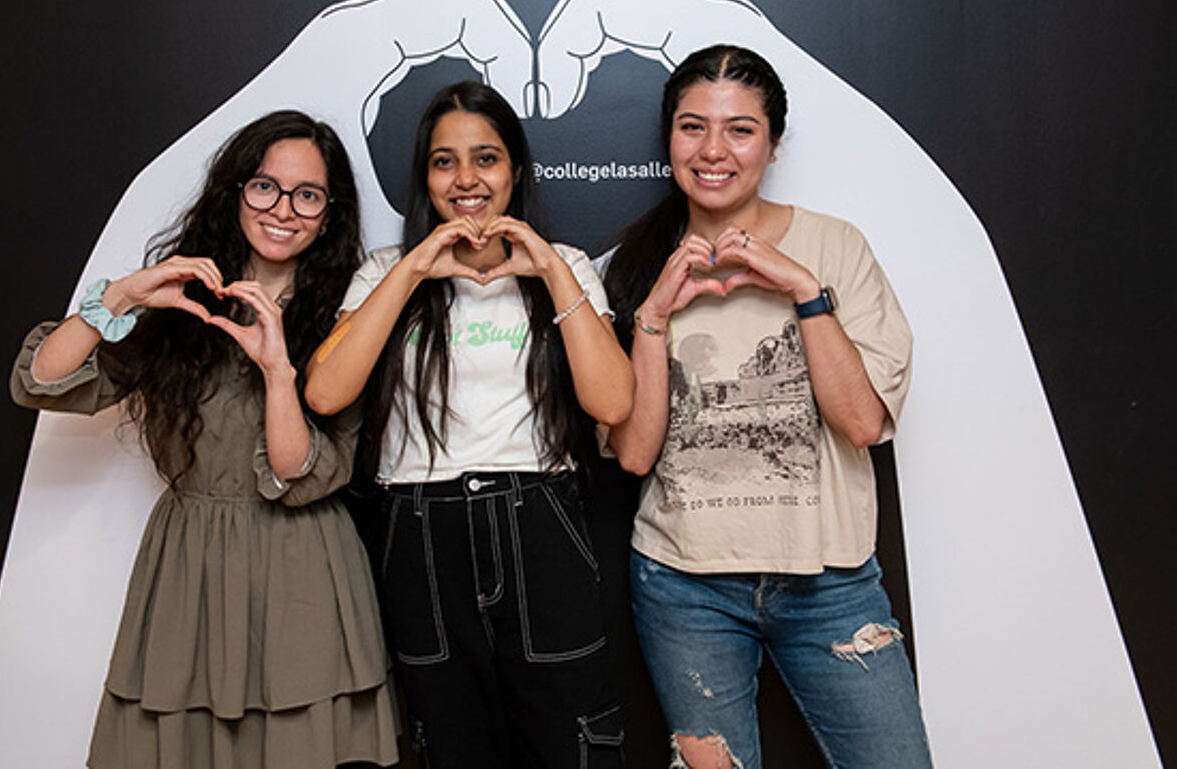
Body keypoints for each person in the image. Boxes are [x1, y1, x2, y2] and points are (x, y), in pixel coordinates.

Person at [9, 111, 399, 769]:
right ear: (235, 191)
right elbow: (42, 379)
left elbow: (300, 470)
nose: (283, 209)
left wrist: (279, 370)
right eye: (265, 187)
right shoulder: (181, 301)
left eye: (308, 195)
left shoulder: (348, 315)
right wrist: (125, 294)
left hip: (303, 568)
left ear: (329, 214)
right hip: (188, 566)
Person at [602, 46, 932, 769]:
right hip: (684, 586)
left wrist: (805, 291)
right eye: (693, 127)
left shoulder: (834, 247)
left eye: (740, 129)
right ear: (669, 141)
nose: (713, 150)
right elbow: (632, 453)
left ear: (773, 142)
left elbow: (862, 423)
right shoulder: (629, 266)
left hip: (832, 584)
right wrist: (652, 316)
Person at [304, 80, 634, 768]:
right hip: (422, 528)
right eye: (444, 160)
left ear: (514, 169)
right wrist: (416, 266)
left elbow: (612, 403)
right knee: (451, 739)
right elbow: (327, 392)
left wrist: (545, 265)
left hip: (540, 520)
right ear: (424, 175)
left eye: (486, 158)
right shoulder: (384, 272)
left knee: (570, 737)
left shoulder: (565, 266)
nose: (466, 179)